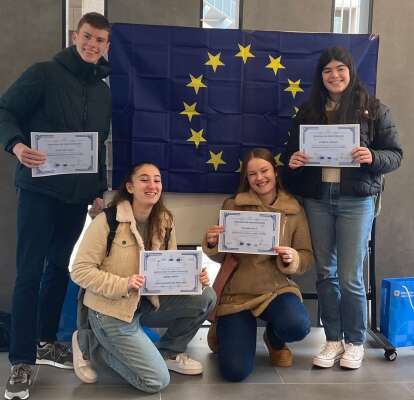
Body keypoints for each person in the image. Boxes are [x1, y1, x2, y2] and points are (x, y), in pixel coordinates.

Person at [0, 12, 112, 400]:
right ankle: (21, 361)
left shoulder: (102, 91)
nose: (92, 45)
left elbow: (99, 145)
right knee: (29, 273)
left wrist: (98, 191)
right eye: (87, 37)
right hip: (38, 191)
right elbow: (4, 111)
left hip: (76, 197)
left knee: (59, 269)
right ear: (74, 37)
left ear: (106, 46)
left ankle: (46, 342)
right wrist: (16, 145)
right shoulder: (43, 73)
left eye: (99, 40)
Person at [282, 47, 402, 370]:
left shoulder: (374, 109)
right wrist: (294, 161)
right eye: (327, 70)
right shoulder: (308, 111)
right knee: (325, 273)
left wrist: (372, 157)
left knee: (350, 277)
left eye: (340, 69)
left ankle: (355, 341)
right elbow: (289, 157)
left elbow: (395, 155)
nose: (334, 75)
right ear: (320, 76)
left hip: (356, 200)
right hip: (318, 199)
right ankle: (333, 339)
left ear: (351, 71)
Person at [70, 162, 216, 393]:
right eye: (144, 179)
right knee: (156, 381)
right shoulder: (107, 221)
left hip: (145, 302)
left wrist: (192, 278)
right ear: (130, 187)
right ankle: (92, 346)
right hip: (110, 309)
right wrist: (123, 284)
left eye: (157, 180)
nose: (152, 185)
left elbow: (169, 268)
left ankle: (169, 353)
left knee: (206, 296)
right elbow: (79, 270)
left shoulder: (165, 220)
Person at [203, 148, 313, 382]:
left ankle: (274, 340)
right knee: (235, 372)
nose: (259, 178)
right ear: (246, 178)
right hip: (237, 294)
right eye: (252, 174)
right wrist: (212, 243)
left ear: (275, 171)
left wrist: (293, 258)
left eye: (264, 171)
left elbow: (306, 256)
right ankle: (223, 328)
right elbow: (222, 257)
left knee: (297, 325)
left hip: (276, 289)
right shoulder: (232, 205)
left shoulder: (294, 209)